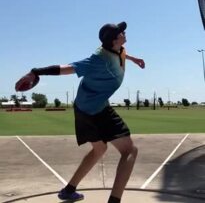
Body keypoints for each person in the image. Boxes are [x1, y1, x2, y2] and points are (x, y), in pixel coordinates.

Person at [30, 21, 145, 203]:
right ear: (114, 40)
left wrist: (134, 59)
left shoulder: (118, 49)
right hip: (97, 110)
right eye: (121, 32)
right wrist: (36, 72)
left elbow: (123, 53)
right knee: (130, 151)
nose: (124, 33)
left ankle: (68, 190)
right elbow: (66, 69)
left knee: (99, 149)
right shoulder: (97, 60)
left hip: (83, 109)